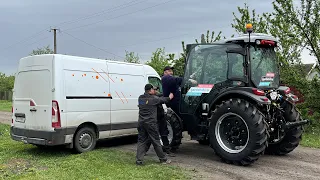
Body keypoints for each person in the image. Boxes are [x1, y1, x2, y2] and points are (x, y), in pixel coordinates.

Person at [136, 84, 174, 165]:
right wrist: (170, 96)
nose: (154, 90)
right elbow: (164, 100)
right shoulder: (154, 99)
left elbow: (151, 100)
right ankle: (163, 159)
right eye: (153, 89)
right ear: (150, 90)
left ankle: (139, 160)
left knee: (141, 141)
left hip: (141, 123)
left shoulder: (140, 98)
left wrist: (157, 94)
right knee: (156, 141)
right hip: (151, 124)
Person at [161, 66, 199, 140]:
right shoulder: (165, 78)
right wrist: (189, 80)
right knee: (188, 116)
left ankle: (195, 131)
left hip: (179, 102)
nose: (171, 72)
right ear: (165, 72)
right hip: (174, 104)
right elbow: (177, 80)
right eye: (169, 71)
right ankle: (193, 131)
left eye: (172, 71)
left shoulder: (172, 80)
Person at [144, 87, 175, 156]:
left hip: (161, 118)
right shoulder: (152, 98)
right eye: (154, 90)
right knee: (151, 136)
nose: (156, 91)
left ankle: (168, 150)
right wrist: (169, 97)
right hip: (154, 120)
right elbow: (162, 100)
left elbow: (160, 96)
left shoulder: (155, 96)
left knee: (164, 134)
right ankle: (144, 151)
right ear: (150, 91)